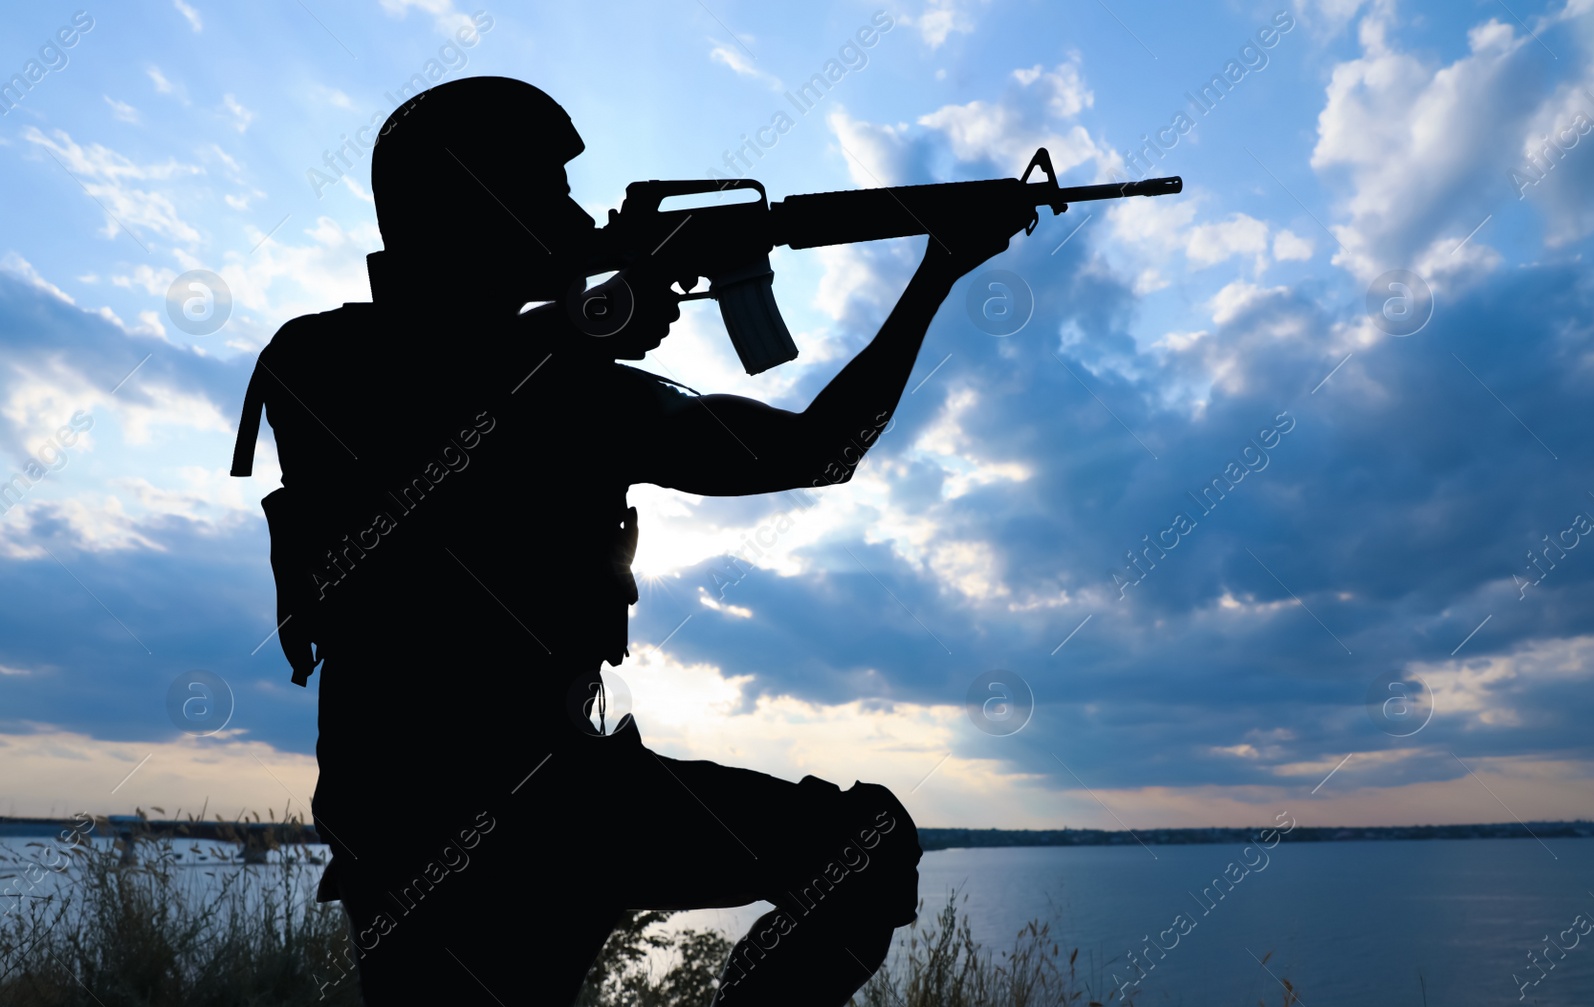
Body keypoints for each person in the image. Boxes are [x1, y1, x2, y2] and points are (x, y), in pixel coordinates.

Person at [231, 75, 1030, 1005]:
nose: (574, 215)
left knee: (860, 850)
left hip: (498, 802)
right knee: (861, 849)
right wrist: (936, 273)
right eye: (546, 193)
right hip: (496, 820)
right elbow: (821, 447)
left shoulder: (476, 371)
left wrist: (583, 323)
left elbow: (482, 375)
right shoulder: (338, 362)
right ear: (472, 208)